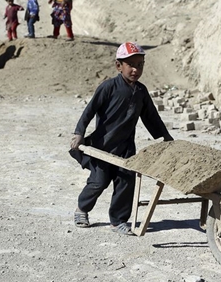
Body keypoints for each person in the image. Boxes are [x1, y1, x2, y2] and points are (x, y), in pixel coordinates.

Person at [69, 42, 174, 235]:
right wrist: (79, 133)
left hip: (125, 147)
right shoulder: (108, 87)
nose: (136, 69)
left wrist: (165, 136)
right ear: (119, 66)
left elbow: (151, 116)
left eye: (140, 65)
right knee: (98, 182)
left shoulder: (141, 91)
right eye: (131, 65)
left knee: (126, 182)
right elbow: (89, 110)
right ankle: (82, 209)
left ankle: (118, 221)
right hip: (103, 145)